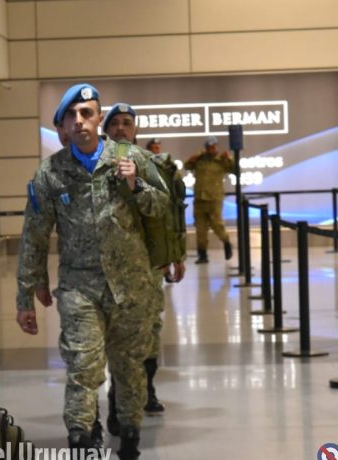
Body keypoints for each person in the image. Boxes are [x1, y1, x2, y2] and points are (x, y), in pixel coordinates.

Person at [17, 84, 168, 460]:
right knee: (82, 365)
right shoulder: (51, 172)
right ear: (63, 125)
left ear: (100, 118)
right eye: (71, 115)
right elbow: (34, 235)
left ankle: (129, 433)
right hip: (79, 288)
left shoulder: (131, 158)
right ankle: (81, 437)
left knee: (129, 366)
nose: (79, 121)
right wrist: (27, 294)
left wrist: (135, 184)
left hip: (130, 287)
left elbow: (162, 208)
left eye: (87, 113)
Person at [104, 111, 186, 427]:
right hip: (109, 269)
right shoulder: (94, 165)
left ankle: (147, 389)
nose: (120, 129)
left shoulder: (154, 166)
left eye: (126, 123)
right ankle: (117, 397)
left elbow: (171, 214)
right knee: (116, 334)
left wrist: (177, 254)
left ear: (135, 128)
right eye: (114, 124)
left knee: (149, 328)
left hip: (149, 264)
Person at [183, 136, 234, 264]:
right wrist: (192, 158)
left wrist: (229, 158)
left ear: (217, 147)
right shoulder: (200, 159)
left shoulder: (221, 160)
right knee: (200, 229)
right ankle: (202, 255)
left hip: (214, 199)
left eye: (214, 147)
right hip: (200, 199)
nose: (212, 149)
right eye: (209, 148)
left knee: (217, 225)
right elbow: (187, 166)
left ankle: (226, 242)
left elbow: (235, 170)